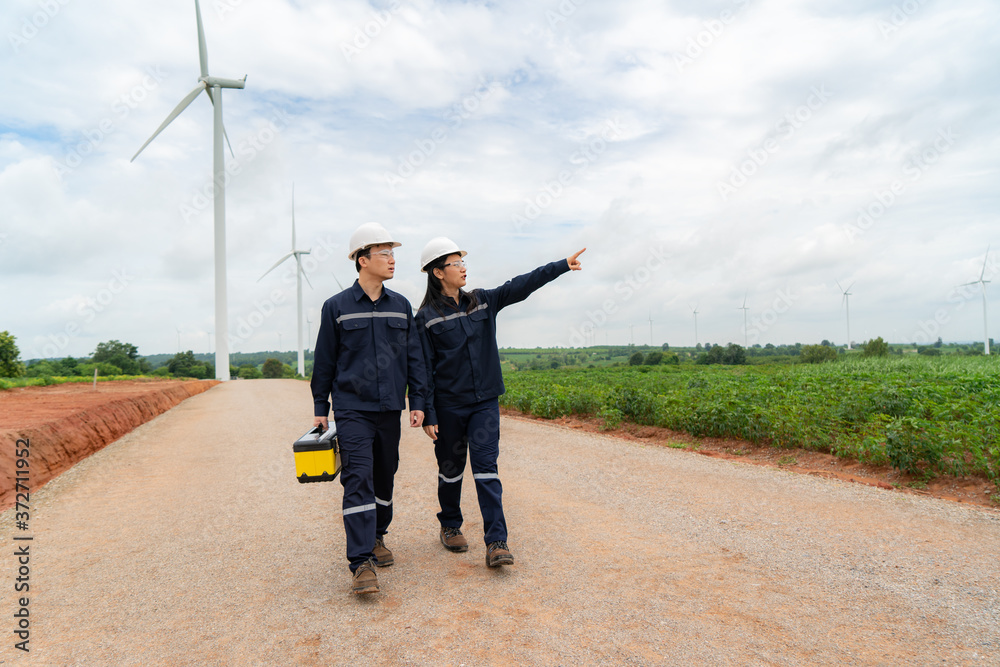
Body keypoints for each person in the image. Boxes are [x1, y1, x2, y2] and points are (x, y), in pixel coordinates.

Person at [415, 238, 585, 567]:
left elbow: (521, 285)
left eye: (463, 262)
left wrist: (561, 266)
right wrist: (428, 413)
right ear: (438, 272)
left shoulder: (482, 301)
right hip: (449, 407)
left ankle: (497, 541)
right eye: (455, 263)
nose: (463, 267)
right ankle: (450, 525)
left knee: (486, 470)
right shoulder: (425, 319)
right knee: (451, 471)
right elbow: (422, 370)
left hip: (484, 405)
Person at [311, 222, 427, 595]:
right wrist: (320, 407)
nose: (393, 260)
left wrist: (418, 401)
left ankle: (378, 534)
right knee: (357, 476)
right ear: (363, 260)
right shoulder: (337, 307)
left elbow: (415, 358)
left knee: (385, 473)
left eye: (393, 254)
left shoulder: (400, 306)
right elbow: (325, 362)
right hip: (352, 409)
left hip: (389, 407)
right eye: (385, 254)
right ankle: (360, 561)